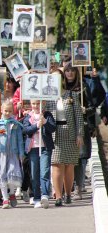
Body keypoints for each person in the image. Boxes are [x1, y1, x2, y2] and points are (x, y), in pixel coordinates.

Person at [51, 65, 84, 206]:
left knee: (69, 165)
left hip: (70, 132)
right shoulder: (47, 97)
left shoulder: (71, 95)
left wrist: (80, 134)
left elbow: (78, 117)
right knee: (57, 164)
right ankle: (58, 196)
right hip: (54, 133)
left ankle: (68, 193)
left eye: (57, 78)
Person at [23, 100, 56, 208]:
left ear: (43, 103)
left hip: (45, 148)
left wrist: (45, 122)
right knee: (34, 173)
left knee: (45, 171)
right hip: (33, 148)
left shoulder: (47, 115)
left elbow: (53, 128)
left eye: (38, 103)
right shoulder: (28, 116)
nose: (36, 106)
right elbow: (26, 130)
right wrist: (37, 125)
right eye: (34, 104)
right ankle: (36, 197)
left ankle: (45, 195)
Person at [0, 100, 23, 209]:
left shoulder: (16, 124)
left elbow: (20, 140)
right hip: (1, 153)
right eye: (5, 111)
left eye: (10, 111)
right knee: (2, 175)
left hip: (13, 152)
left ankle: (11, 193)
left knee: (12, 173)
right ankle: (5, 199)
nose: (7, 113)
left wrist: (21, 153)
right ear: (1, 110)